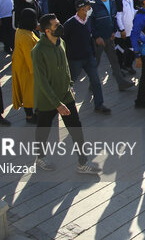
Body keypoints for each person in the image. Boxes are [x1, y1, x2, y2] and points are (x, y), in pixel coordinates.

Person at [31, 13, 101, 174]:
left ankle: (82, 163)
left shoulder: (61, 42)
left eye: (59, 23)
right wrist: (57, 104)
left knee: (76, 127)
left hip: (66, 95)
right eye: (56, 25)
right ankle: (40, 157)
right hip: (47, 99)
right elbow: (41, 81)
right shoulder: (38, 51)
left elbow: (66, 67)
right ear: (47, 31)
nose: (60, 27)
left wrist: (70, 85)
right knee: (43, 129)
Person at [64, 0, 110, 113]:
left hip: (89, 57)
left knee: (96, 81)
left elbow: (91, 31)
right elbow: (62, 40)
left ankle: (99, 104)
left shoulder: (88, 20)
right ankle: (61, 103)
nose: (90, 10)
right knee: (70, 81)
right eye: (89, 8)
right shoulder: (70, 24)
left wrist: (97, 37)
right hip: (75, 59)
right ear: (81, 9)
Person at [90, 0, 133, 91]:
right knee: (96, 62)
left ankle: (121, 83)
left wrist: (114, 31)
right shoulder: (93, 5)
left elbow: (113, 18)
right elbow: (90, 23)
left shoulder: (112, 2)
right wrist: (96, 37)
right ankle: (92, 83)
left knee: (114, 61)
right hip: (99, 39)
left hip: (110, 37)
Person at [12, 8, 39, 123]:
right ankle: (29, 116)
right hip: (27, 69)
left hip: (22, 66)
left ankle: (37, 111)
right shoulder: (25, 37)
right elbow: (30, 56)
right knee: (29, 93)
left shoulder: (22, 30)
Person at [114, 0, 137, 74]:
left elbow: (132, 11)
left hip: (130, 30)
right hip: (122, 32)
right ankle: (118, 69)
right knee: (120, 50)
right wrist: (121, 29)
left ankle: (128, 65)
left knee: (131, 49)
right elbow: (118, 17)